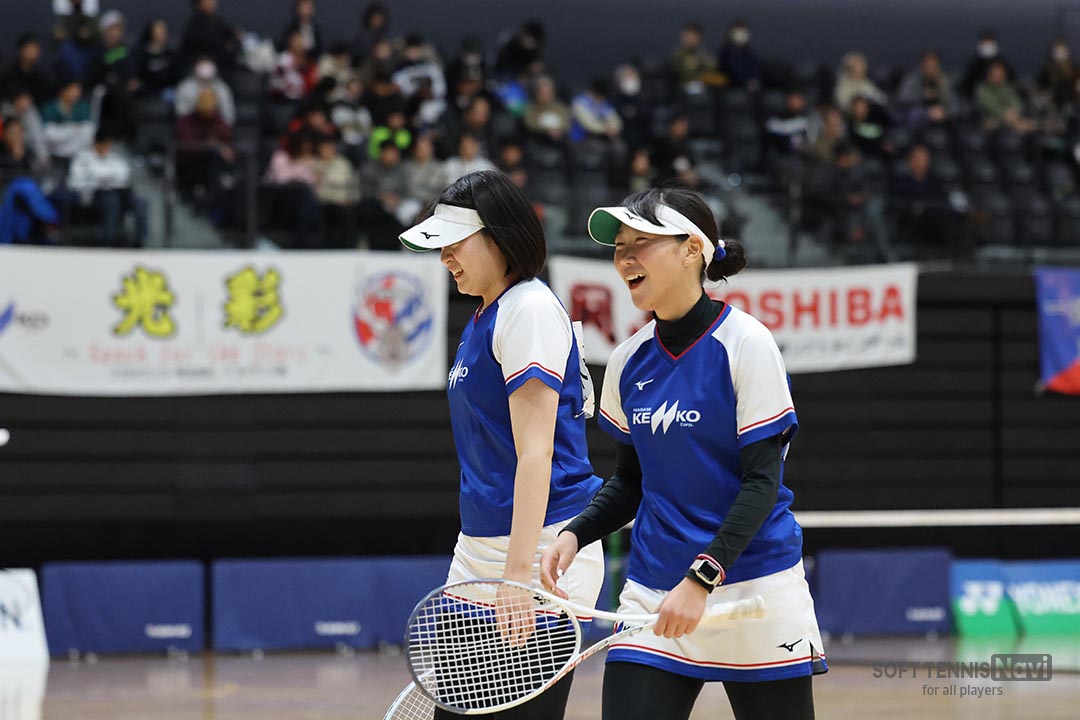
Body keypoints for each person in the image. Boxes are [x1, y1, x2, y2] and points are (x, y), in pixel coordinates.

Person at [540, 186, 826, 720]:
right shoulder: (627, 360)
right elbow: (631, 482)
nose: (625, 258)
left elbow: (762, 483)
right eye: (619, 247)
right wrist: (576, 533)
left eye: (641, 243)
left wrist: (702, 579)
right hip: (654, 591)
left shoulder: (746, 344)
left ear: (693, 249)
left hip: (752, 587)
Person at [398, 169, 605, 720]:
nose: (445, 257)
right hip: (479, 548)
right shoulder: (484, 316)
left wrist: (518, 577)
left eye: (456, 242)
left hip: (539, 550)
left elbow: (536, 453)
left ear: (500, 237)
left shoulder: (528, 309)